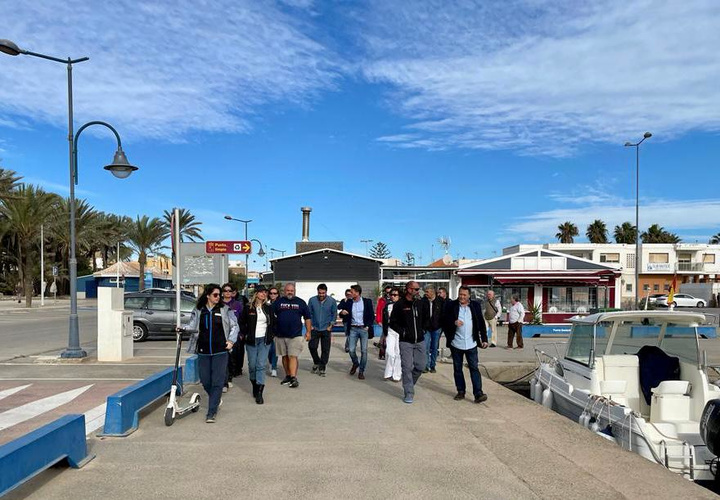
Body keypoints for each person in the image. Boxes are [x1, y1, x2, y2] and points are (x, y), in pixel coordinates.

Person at [182, 284, 238, 423]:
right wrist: (182, 329)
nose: (219, 297)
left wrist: (231, 341)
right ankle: (216, 399)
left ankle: (211, 412)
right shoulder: (199, 310)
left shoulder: (225, 310)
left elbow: (234, 326)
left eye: (219, 295)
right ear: (207, 295)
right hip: (203, 350)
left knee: (218, 382)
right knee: (206, 381)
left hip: (220, 351)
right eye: (215, 295)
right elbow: (192, 326)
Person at [444, 286, 488, 403]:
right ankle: (461, 391)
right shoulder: (451, 305)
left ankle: (478, 393)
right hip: (456, 343)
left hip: (471, 343)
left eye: (464, 295)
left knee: (474, 368)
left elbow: (481, 323)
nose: (461, 297)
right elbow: (444, 321)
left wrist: (484, 339)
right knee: (457, 369)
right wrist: (454, 322)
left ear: (469, 296)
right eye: (460, 294)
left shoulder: (475, 306)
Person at [390, 281, 427, 404]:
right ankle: (409, 392)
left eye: (418, 289)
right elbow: (393, 322)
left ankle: (409, 383)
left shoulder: (420, 303)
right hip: (406, 341)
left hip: (420, 340)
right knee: (406, 368)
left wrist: (424, 329)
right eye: (415, 289)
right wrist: (403, 332)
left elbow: (426, 318)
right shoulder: (400, 304)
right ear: (409, 290)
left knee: (421, 366)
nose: (418, 291)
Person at [239, 285, 274, 404]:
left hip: (264, 340)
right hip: (251, 340)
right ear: (256, 294)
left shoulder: (268, 308)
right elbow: (241, 322)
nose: (264, 294)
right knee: (252, 365)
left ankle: (259, 391)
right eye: (261, 292)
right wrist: (245, 334)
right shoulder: (248, 307)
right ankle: (254, 383)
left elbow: (273, 323)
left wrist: (271, 335)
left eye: (265, 292)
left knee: (261, 365)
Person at [272, 283, 311, 388]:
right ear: (284, 291)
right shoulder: (278, 302)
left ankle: (293, 377)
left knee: (292, 356)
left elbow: (307, 317)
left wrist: (308, 332)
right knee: (284, 356)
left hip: (295, 335)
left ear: (294, 291)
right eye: (288, 290)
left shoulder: (301, 302)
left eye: (292, 290)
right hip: (280, 335)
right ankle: (288, 375)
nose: (290, 292)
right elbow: (271, 316)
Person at [339, 284, 374, 380]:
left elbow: (371, 315)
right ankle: (355, 363)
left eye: (352, 291)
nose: (350, 293)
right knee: (351, 350)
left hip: (363, 329)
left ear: (357, 293)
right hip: (353, 329)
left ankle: (361, 371)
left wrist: (368, 326)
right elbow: (340, 310)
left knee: (364, 351)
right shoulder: (349, 302)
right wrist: (342, 312)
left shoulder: (367, 302)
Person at [308, 283, 337, 377]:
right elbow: (309, 313)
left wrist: (331, 325)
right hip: (315, 328)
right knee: (312, 346)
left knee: (325, 349)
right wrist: (310, 325)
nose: (321, 295)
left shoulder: (331, 301)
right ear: (317, 292)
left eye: (323, 293)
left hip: (326, 328)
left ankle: (322, 367)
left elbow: (334, 314)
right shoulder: (312, 300)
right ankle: (317, 361)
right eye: (320, 293)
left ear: (326, 292)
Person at [221, 283, 243, 393]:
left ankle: (229, 378)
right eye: (225, 291)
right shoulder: (218, 304)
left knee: (232, 358)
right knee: (224, 358)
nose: (227, 292)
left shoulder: (237, 304)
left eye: (229, 291)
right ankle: (224, 380)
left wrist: (241, 334)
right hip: (221, 335)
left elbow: (242, 320)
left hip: (234, 335)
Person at [422, 284, 444, 373]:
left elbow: (443, 314)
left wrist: (441, 326)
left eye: (427, 292)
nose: (426, 293)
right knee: (425, 347)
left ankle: (433, 365)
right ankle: (426, 366)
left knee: (434, 347)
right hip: (426, 329)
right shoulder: (423, 301)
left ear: (432, 291)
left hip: (437, 328)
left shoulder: (440, 301)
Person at [382, 287, 402, 382]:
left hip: (400, 331)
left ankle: (397, 374)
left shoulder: (403, 305)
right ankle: (388, 373)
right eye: (391, 295)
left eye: (395, 295)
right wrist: (384, 332)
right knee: (389, 352)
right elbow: (384, 319)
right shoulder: (387, 306)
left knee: (398, 353)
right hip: (390, 330)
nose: (393, 297)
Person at [267, 287, 279, 377]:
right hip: (267, 330)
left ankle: (274, 368)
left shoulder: (280, 304)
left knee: (275, 350)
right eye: (271, 293)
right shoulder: (266, 304)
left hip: (277, 330)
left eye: (275, 293)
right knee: (269, 350)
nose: (272, 295)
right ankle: (271, 363)